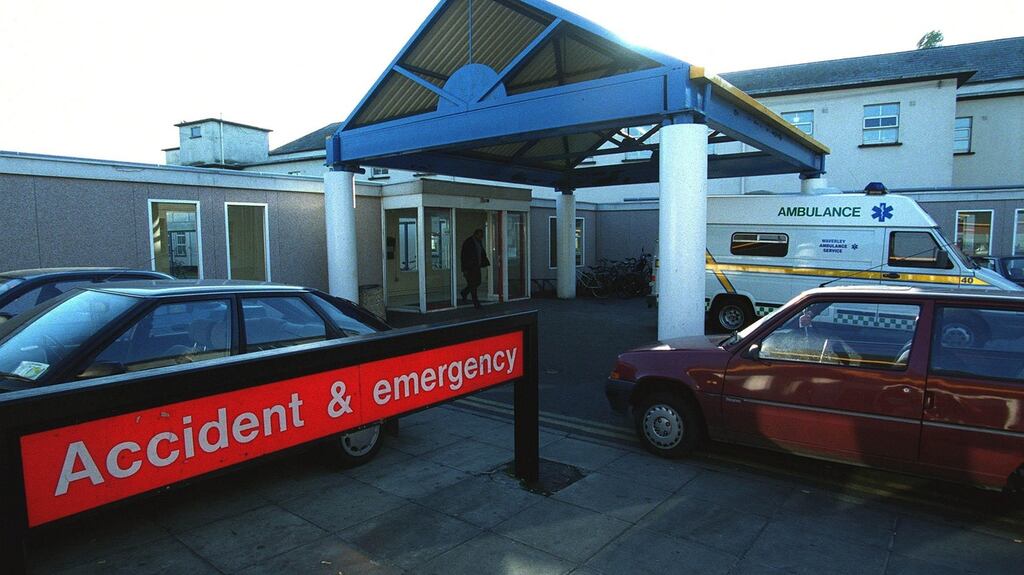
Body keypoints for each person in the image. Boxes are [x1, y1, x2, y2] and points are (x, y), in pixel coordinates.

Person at [459, 228, 490, 308]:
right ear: (476, 234)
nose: (481, 237)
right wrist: (464, 269)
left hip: (476, 266)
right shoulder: (469, 242)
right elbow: (464, 256)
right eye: (480, 235)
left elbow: (481, 253)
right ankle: (476, 302)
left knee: (477, 282)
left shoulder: (478, 242)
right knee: (473, 284)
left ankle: (464, 292)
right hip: (470, 267)